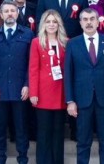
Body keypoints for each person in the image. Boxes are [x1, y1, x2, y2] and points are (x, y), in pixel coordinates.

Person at [64, 8, 104, 164]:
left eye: (92, 19)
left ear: (98, 21)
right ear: (80, 22)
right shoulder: (72, 43)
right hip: (82, 100)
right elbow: (68, 74)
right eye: (85, 19)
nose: (89, 22)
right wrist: (70, 101)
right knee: (83, 141)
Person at [0, 2, 33, 164]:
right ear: (0, 14)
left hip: (20, 89)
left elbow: (31, 63)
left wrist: (28, 84)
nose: (10, 14)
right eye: (6, 11)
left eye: (13, 11)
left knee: (21, 127)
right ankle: (0, 158)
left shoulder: (27, 34)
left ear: (17, 13)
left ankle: (22, 158)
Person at [27, 10, 68, 164]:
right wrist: (33, 92)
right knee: (43, 132)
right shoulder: (37, 42)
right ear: (43, 24)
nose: (51, 25)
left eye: (54, 22)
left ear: (59, 25)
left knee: (58, 132)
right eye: (48, 21)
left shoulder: (66, 42)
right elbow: (33, 69)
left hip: (61, 91)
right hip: (43, 93)